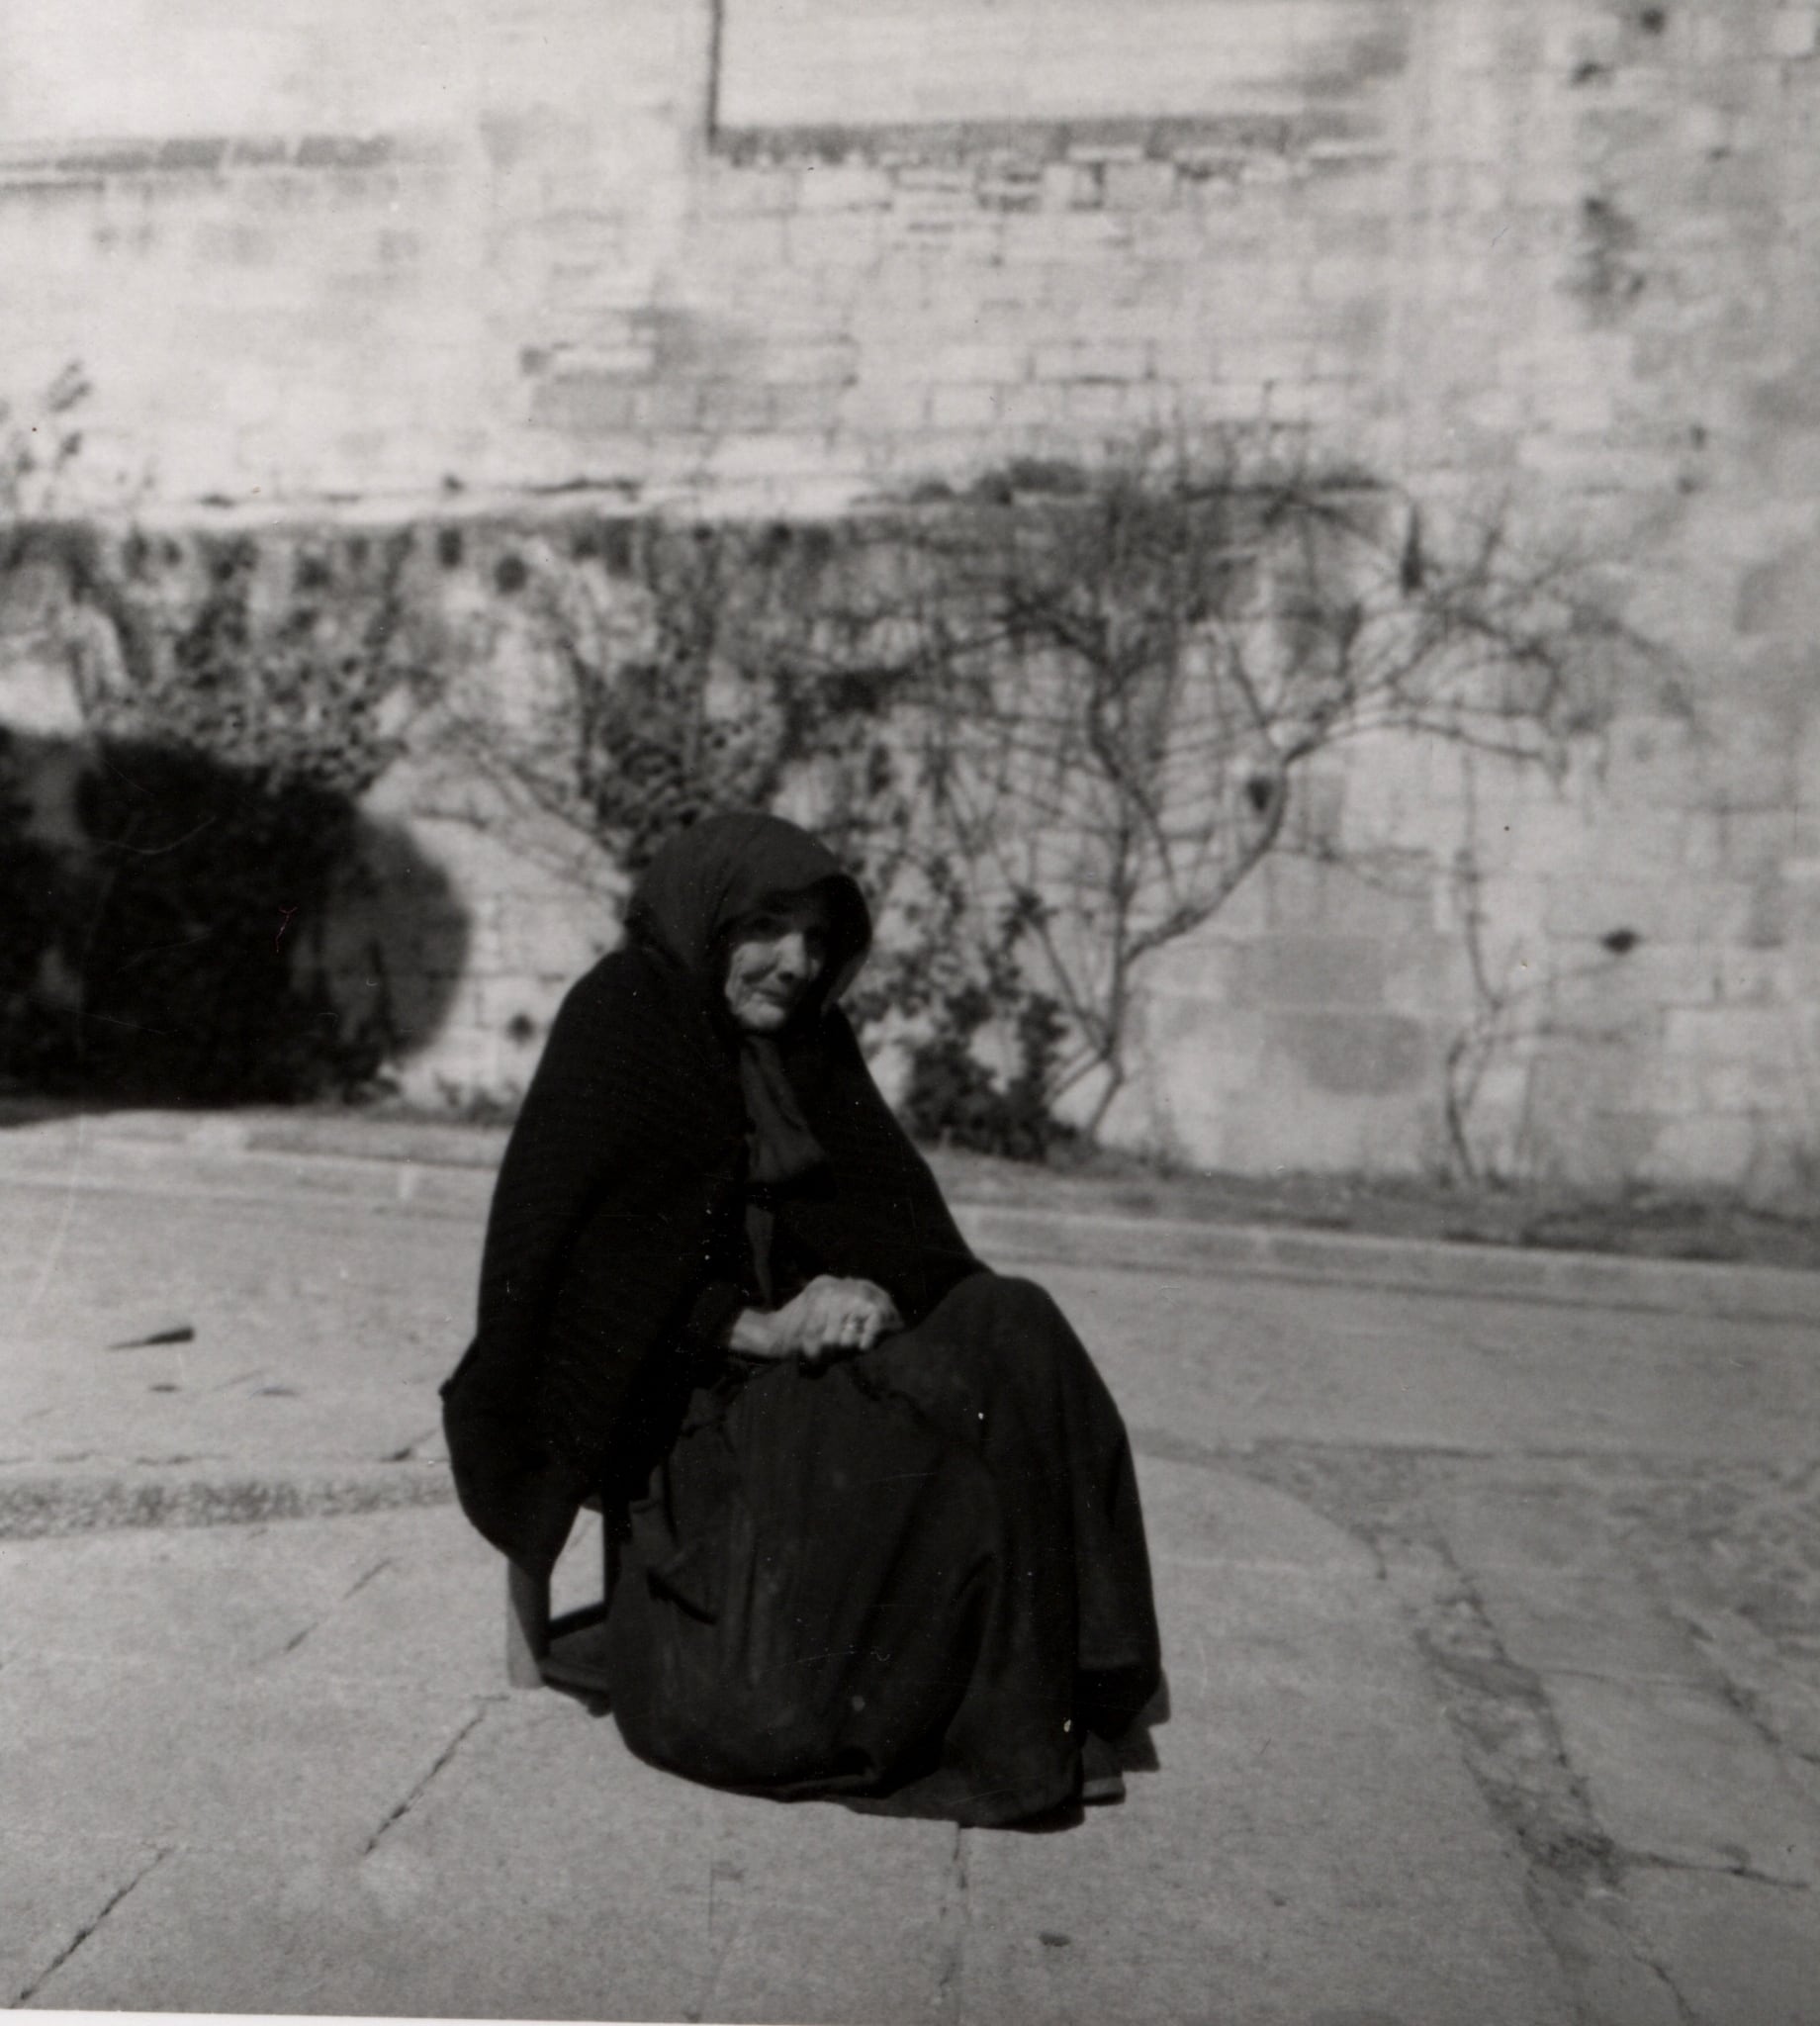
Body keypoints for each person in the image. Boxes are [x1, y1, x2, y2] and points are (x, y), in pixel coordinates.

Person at [440, 811, 1162, 1826]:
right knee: (944, 1431)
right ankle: (1007, 1717)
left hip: (804, 1381)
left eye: (817, 935)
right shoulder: (625, 1016)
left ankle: (1064, 1691)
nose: (795, 960)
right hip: (690, 1422)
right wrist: (759, 1326)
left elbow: (901, 1226)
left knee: (1010, 1321)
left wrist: (869, 1289)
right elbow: (569, 1279)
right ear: (709, 917)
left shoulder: (809, 1043)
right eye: (767, 926)